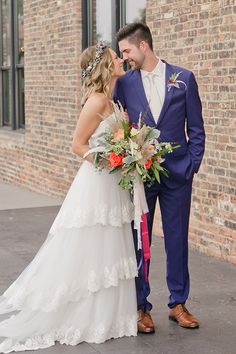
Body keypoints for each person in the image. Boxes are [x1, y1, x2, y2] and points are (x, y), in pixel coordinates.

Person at [0, 41, 138, 353]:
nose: (120, 60)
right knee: (91, 244)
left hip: (114, 184)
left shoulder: (112, 99)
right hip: (97, 182)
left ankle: (110, 317)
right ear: (104, 65)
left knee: (110, 243)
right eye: (116, 57)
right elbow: (77, 144)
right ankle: (83, 315)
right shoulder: (95, 102)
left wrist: (128, 155)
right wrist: (110, 161)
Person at [114, 22, 205, 333]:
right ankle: (141, 307)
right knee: (140, 242)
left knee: (178, 240)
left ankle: (178, 303)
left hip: (178, 173)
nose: (124, 57)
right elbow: (116, 123)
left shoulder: (184, 79)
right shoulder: (124, 84)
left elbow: (196, 129)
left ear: (144, 46)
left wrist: (192, 164)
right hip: (141, 176)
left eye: (127, 51)